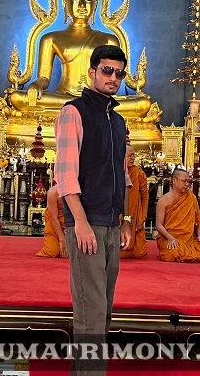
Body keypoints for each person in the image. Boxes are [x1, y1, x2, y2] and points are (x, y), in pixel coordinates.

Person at [54, 44, 132, 375]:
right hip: (87, 224)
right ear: (92, 72)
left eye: (119, 73)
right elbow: (65, 174)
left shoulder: (118, 120)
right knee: (91, 314)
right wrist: (80, 223)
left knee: (103, 312)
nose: (113, 78)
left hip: (112, 224)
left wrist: (125, 220)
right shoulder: (74, 112)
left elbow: (123, 174)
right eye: (107, 71)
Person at [8, 0, 151, 119]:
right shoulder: (51, 38)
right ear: (65, 2)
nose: (82, 5)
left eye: (88, 0)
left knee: (142, 103)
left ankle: (93, 109)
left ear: (96, 4)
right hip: (64, 97)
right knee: (17, 98)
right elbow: (44, 77)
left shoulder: (109, 39)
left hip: (98, 99)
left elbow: (114, 78)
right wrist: (36, 85)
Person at [156, 168, 200, 263]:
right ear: (174, 181)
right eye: (184, 181)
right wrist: (170, 237)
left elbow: (199, 220)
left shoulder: (192, 198)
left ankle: (188, 252)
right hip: (170, 237)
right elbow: (159, 225)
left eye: (188, 181)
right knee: (171, 254)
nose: (187, 184)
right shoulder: (163, 201)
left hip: (189, 239)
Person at [120, 144, 149, 259]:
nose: (132, 158)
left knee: (139, 252)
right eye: (129, 156)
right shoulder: (116, 172)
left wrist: (142, 216)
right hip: (119, 214)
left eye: (133, 155)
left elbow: (145, 196)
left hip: (135, 214)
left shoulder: (138, 173)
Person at [36, 184, 67, 258]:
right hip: (54, 223)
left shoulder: (80, 190)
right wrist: (62, 239)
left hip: (71, 224)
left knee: (70, 253)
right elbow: (53, 218)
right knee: (52, 251)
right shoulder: (53, 192)